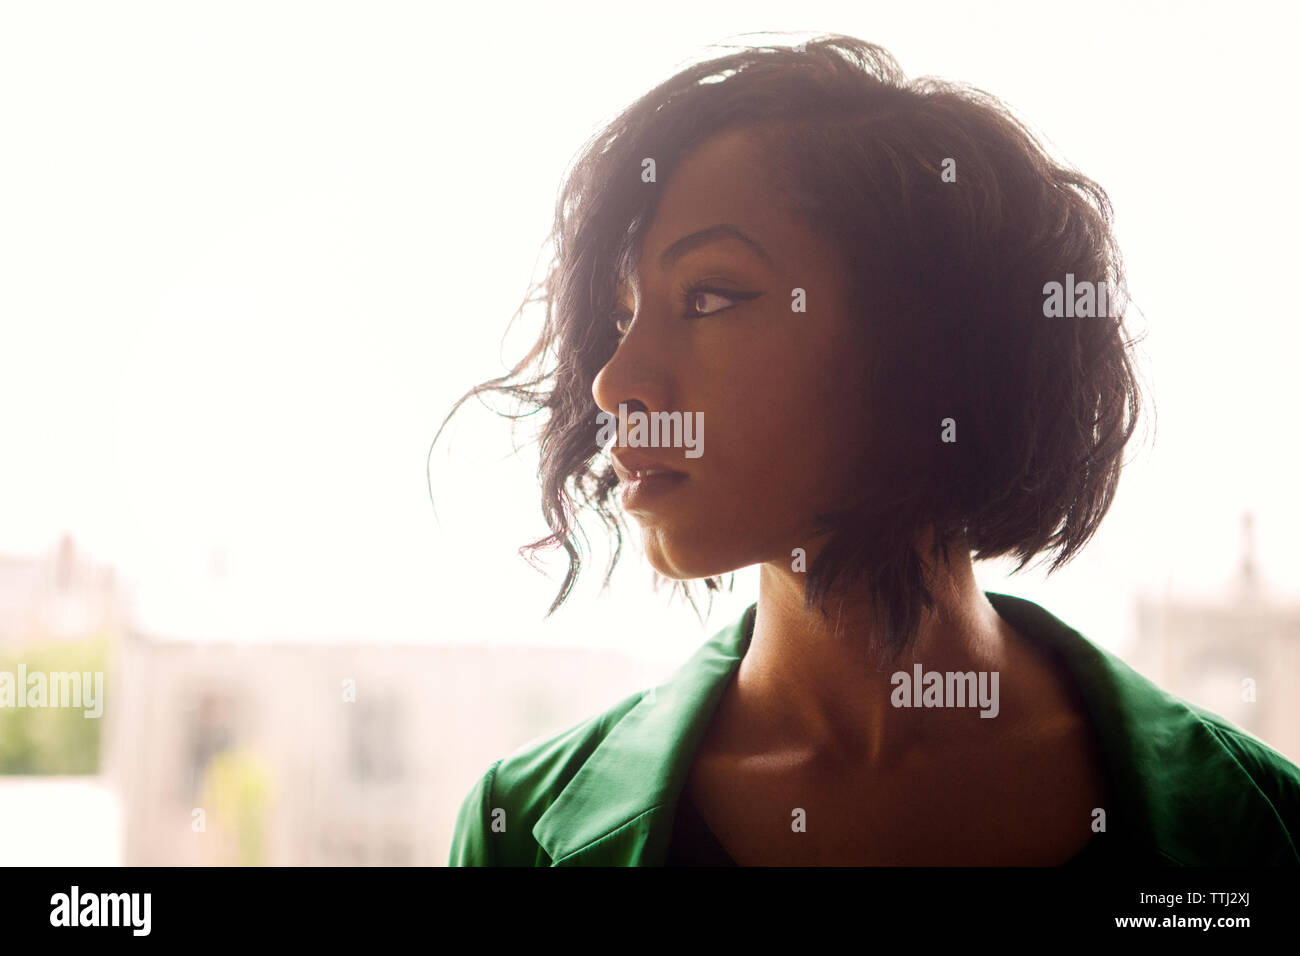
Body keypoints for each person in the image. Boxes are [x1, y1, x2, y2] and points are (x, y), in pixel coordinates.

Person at [441, 34, 1300, 866]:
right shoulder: (519, 829)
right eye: (623, 316)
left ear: (929, 341)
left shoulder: (1265, 827)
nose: (613, 382)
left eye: (708, 297)